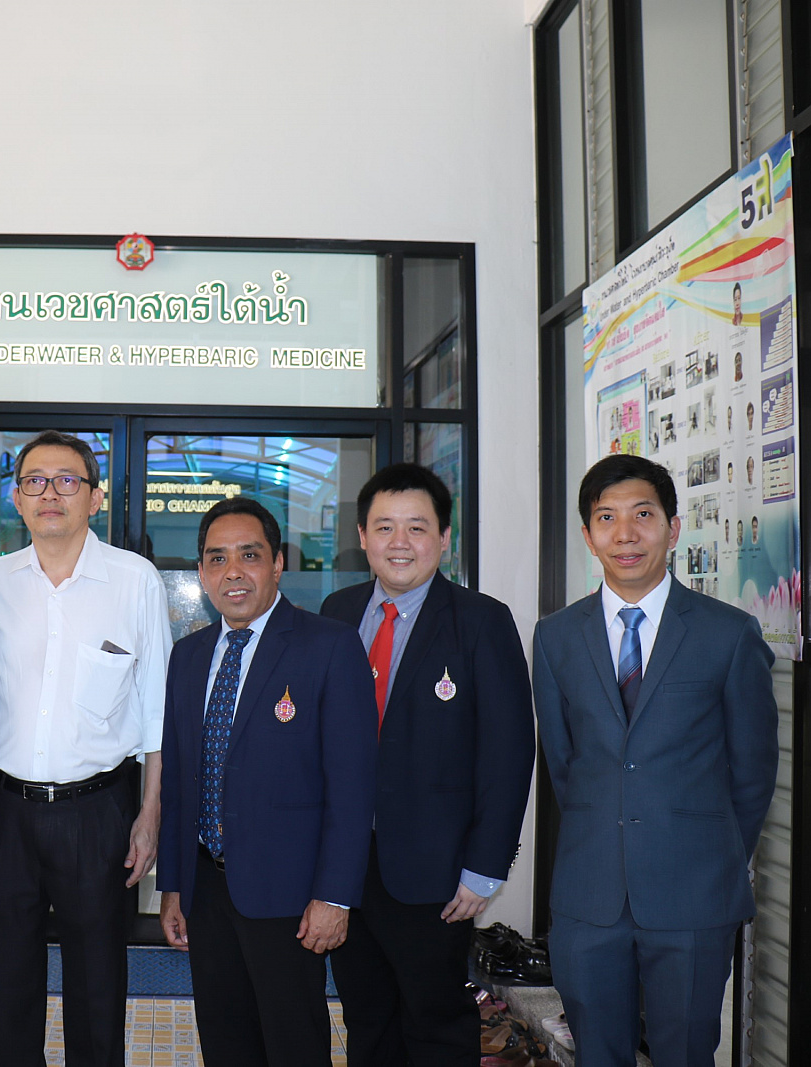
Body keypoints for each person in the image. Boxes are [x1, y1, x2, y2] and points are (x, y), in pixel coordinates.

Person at [532, 454, 777, 1067]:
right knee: (597, 1054)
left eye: (643, 515)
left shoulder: (729, 633)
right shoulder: (556, 636)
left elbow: (752, 772)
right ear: (588, 535)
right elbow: (564, 764)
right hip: (589, 894)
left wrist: (712, 853)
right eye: (606, 518)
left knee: (685, 1053)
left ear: (673, 527)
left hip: (693, 892)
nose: (625, 534)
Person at [320, 464, 534, 1067]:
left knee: (435, 1022)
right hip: (346, 869)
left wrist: (485, 868)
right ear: (362, 536)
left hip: (435, 872)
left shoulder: (481, 620)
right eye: (384, 526)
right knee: (366, 1018)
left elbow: (509, 752)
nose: (399, 542)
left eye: (416, 527)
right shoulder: (337, 612)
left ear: (444, 538)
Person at [0, 431, 172, 1067]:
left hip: (99, 811)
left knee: (98, 983)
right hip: (3, 811)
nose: (50, 493)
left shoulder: (134, 581)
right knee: (5, 982)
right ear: (17, 498)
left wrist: (150, 813)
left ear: (95, 496)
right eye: (34, 481)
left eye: (67, 480)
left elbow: (157, 709)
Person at [158, 498, 376, 1067]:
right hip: (207, 893)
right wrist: (174, 885)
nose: (233, 572)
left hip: (291, 896)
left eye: (249, 555)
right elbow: (179, 784)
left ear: (277, 564)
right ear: (201, 572)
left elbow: (352, 789)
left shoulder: (328, 647)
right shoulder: (187, 657)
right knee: (225, 1042)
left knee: (293, 1045)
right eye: (217, 558)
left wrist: (334, 896)